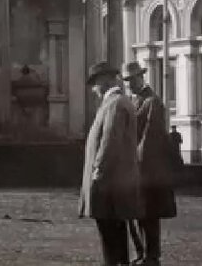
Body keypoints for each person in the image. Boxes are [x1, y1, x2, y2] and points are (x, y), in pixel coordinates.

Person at [79, 62, 140, 266]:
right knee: (115, 227)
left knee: (109, 229)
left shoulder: (114, 103)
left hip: (109, 181)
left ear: (104, 81)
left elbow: (110, 141)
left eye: (95, 84)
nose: (94, 89)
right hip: (115, 179)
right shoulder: (117, 102)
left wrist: (98, 169)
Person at [123, 62, 177, 266]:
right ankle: (143, 253)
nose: (129, 84)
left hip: (149, 168)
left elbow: (150, 139)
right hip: (137, 165)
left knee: (150, 213)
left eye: (133, 79)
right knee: (139, 212)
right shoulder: (135, 101)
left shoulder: (151, 102)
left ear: (141, 77)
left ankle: (151, 256)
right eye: (127, 81)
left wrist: (137, 165)